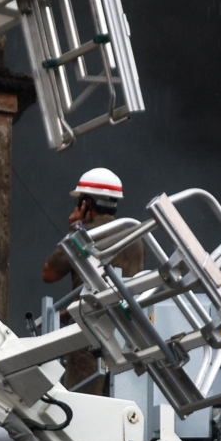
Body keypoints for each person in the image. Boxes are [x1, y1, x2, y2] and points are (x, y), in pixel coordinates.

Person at [41, 167, 144, 394]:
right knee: (119, 396)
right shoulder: (134, 236)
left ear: (87, 204)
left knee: (84, 399)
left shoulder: (83, 235)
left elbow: (49, 274)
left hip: (89, 332)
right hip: (126, 331)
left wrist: (72, 229)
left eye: (79, 202)